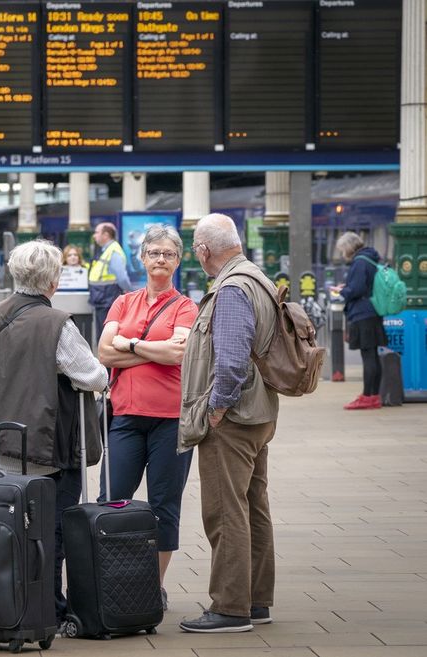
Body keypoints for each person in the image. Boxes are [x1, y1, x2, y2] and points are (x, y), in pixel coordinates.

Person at [0, 240, 108, 626]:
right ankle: (48, 607)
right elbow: (93, 375)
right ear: (53, 281)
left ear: (15, 274)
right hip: (46, 448)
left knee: (7, 527)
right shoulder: (58, 324)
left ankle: (6, 600)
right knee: (49, 530)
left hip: (0, 446)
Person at [178, 213, 279, 633]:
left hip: (233, 419)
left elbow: (233, 361)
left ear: (203, 251)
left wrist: (215, 410)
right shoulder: (259, 278)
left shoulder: (232, 289)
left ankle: (230, 607)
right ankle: (257, 601)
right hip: (259, 414)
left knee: (225, 510)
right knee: (254, 506)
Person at [96, 225, 198, 611]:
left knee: (164, 505)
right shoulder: (123, 302)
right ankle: (110, 579)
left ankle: (151, 588)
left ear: (178, 260)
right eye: (154, 253)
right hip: (125, 416)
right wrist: (151, 349)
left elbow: (179, 355)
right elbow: (105, 353)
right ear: (141, 257)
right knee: (111, 500)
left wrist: (132, 344)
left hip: (171, 419)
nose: (160, 260)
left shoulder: (186, 306)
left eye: (168, 254)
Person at [331, 231, 387, 410]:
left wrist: (341, 291)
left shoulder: (360, 262)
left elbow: (356, 289)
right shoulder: (369, 258)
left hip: (363, 314)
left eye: (342, 250)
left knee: (368, 356)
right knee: (373, 356)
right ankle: (373, 395)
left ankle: (368, 396)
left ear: (348, 247)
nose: (342, 254)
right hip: (373, 312)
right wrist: (348, 287)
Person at [87, 222, 131, 342]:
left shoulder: (113, 251)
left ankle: (108, 360)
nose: (94, 236)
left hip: (108, 299)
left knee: (106, 337)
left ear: (105, 235)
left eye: (97, 232)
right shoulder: (106, 250)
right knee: (102, 335)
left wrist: (129, 290)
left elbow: (121, 277)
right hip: (102, 298)